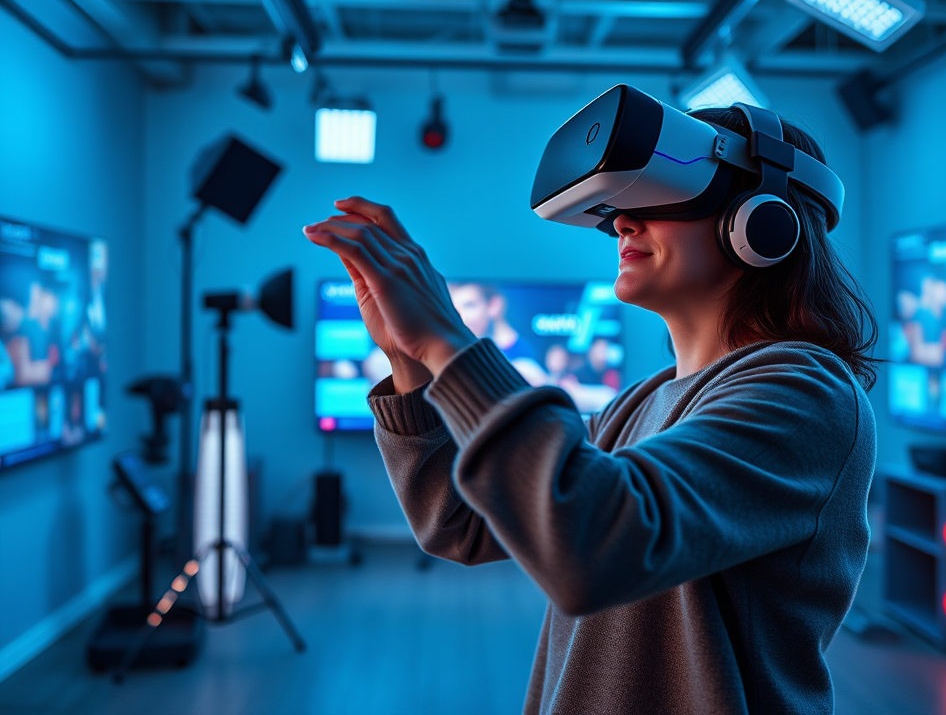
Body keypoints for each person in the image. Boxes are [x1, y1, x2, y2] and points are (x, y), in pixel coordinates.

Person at [303, 106, 878, 715]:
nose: (622, 220)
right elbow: (458, 522)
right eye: (622, 201)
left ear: (762, 222)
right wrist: (408, 359)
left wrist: (447, 338)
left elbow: (592, 547)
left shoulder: (807, 391)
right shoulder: (638, 403)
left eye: (663, 194)